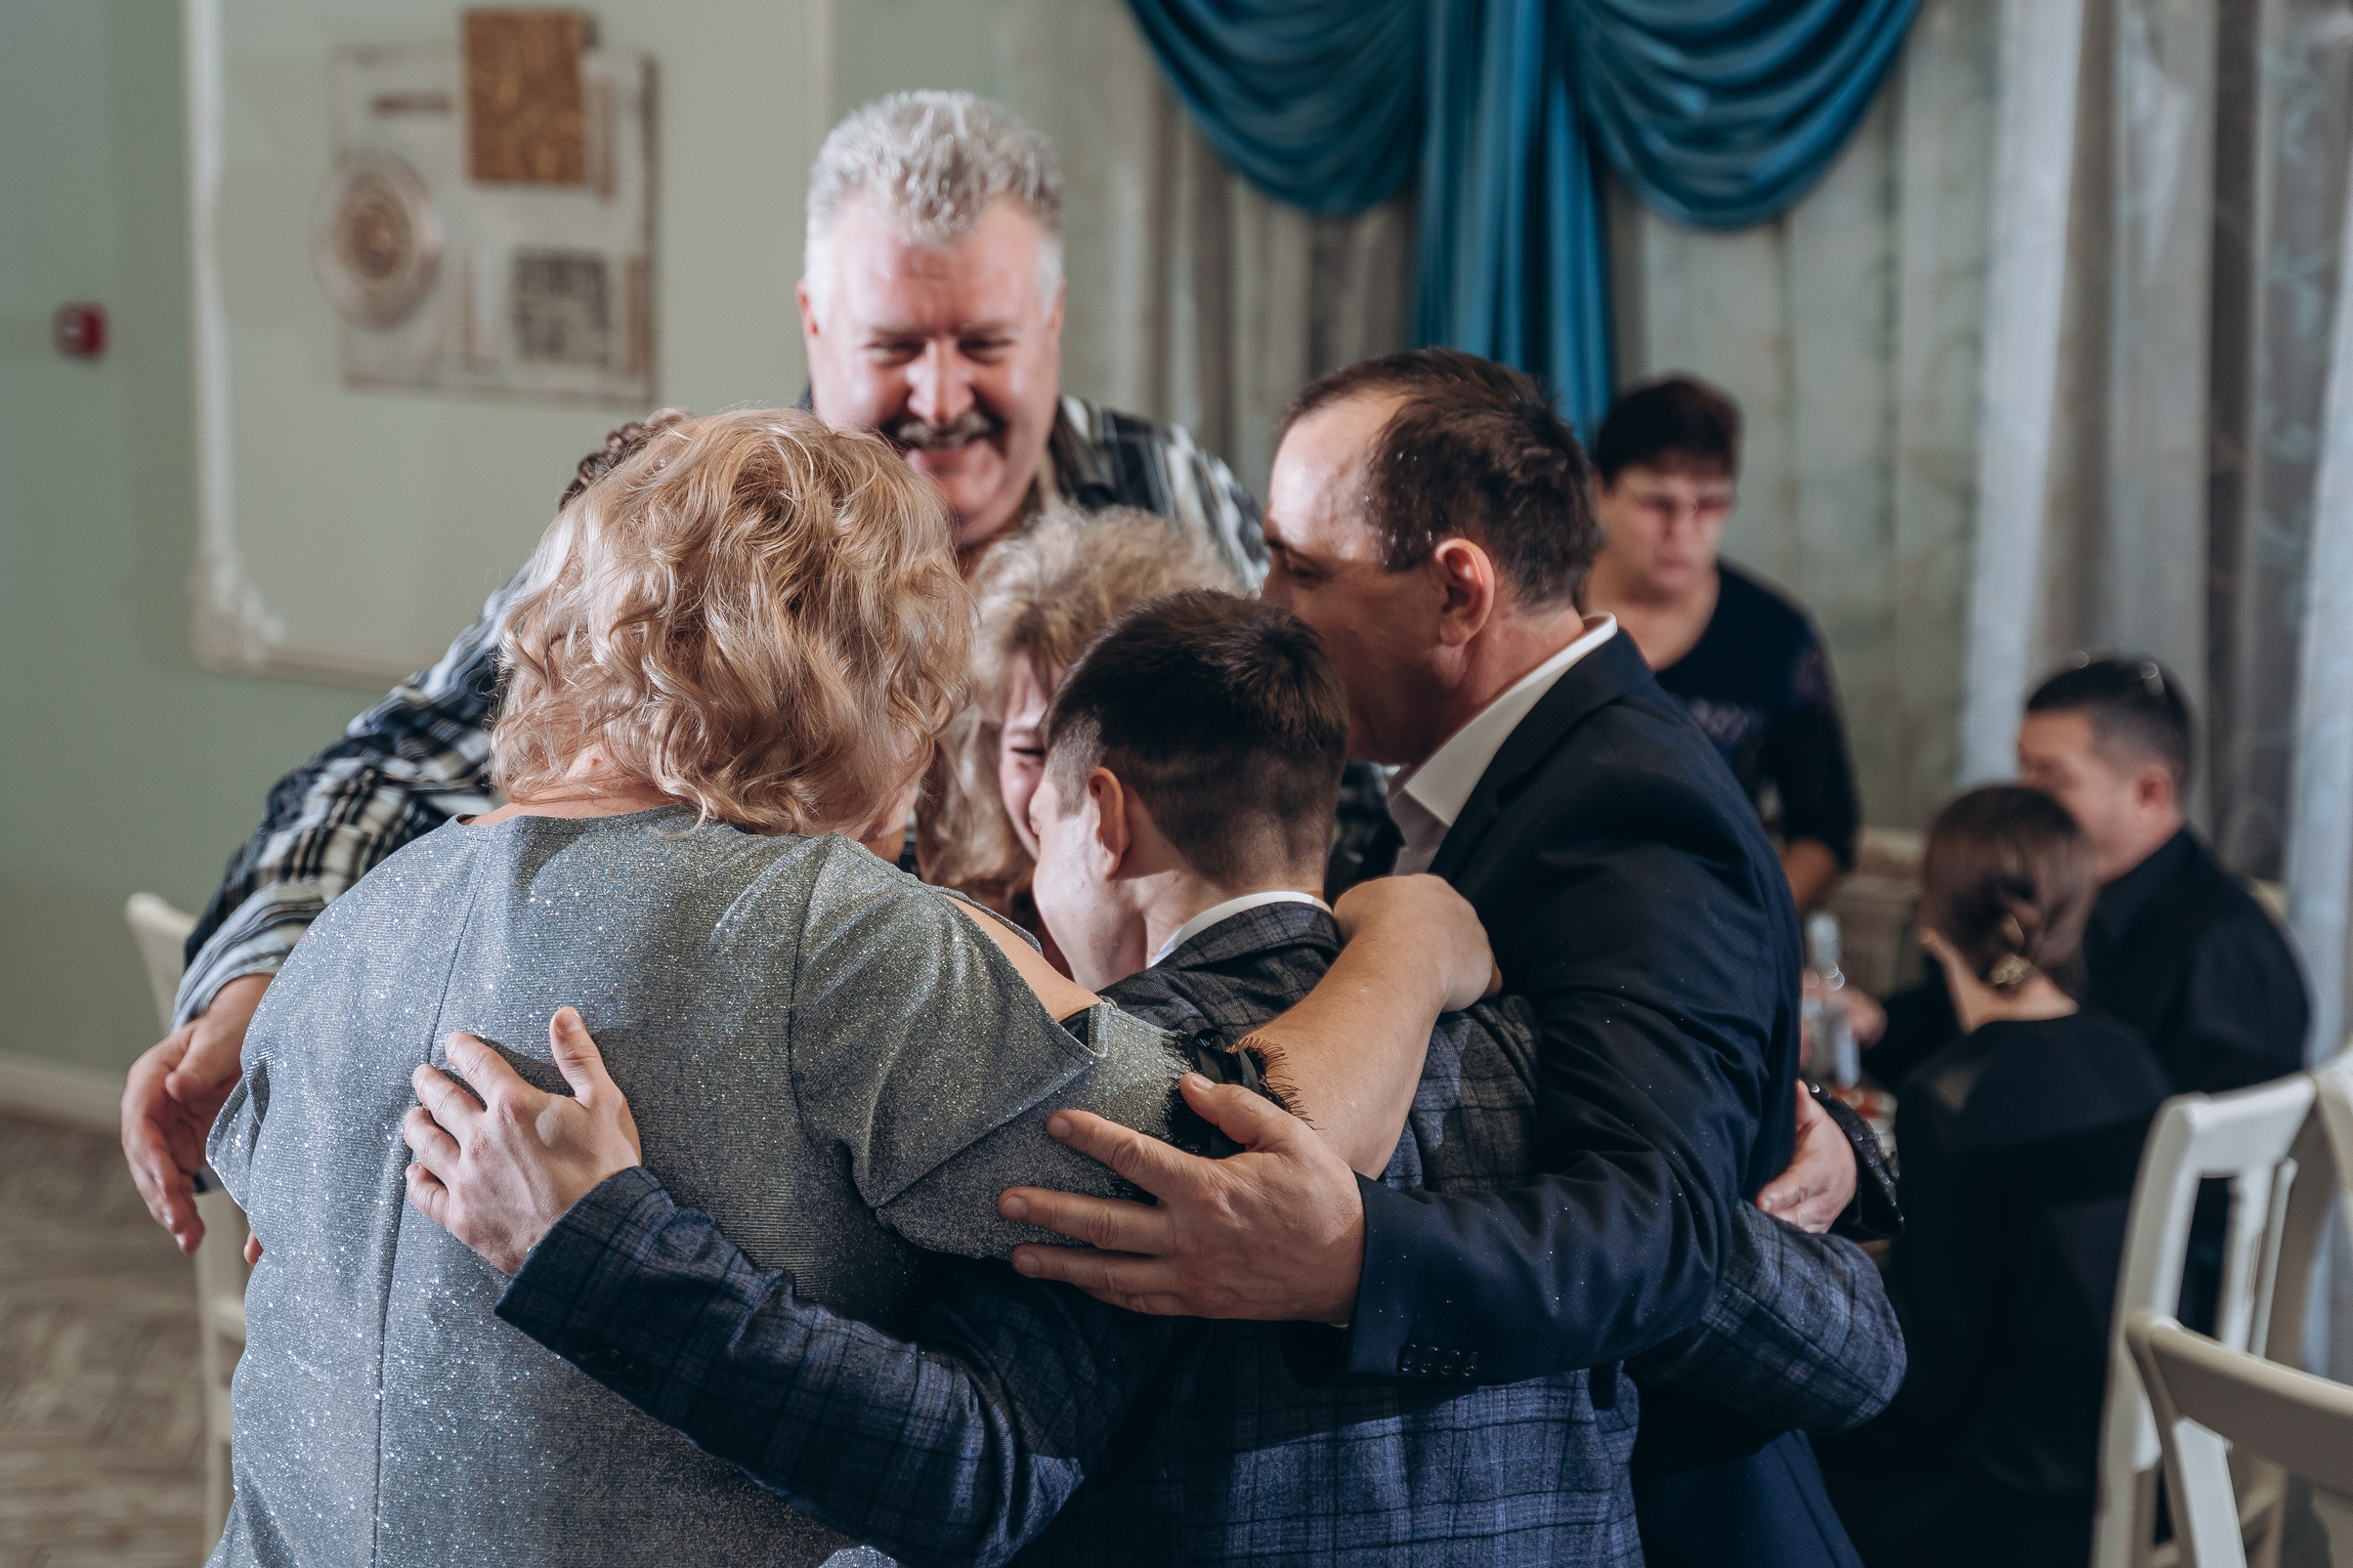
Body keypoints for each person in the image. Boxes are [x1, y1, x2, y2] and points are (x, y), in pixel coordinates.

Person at [207, 411, 1477, 1566]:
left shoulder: (349, 925)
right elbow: (1227, 1151)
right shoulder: (832, 927)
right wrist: (1410, 940)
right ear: (873, 664)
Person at [401, 590, 1903, 1565]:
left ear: (1097, 817)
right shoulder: (1550, 1079)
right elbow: (1849, 1351)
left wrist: (600, 1249)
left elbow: (964, 1471)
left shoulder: (1109, 1104)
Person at [124, 89, 1268, 1256]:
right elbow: (385, 771)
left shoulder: (1172, 494)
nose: (937, 397)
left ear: (1054, 320)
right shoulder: (690, 529)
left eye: (983, 343)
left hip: (1074, 1132)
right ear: (814, 324)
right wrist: (263, 993)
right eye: (891, 347)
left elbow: (1297, 821)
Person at [990, 350, 1882, 1568]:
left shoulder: (1626, 808)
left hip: (1673, 1516)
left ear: (1457, 592)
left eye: (1301, 568)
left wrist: (1349, 1257)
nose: (1267, 604)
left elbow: (1659, 1231)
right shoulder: (1500, 771)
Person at [1818, 785, 2173, 1568]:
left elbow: (1932, 1374)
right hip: (2124, 1469)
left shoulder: (1953, 1096)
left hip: (2007, 1499)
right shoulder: (2135, 1061)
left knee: (1777, 1465)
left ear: (1933, 919)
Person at [1858, 657, 2309, 1096]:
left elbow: (2221, 1153)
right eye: (2023, 768)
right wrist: (1874, 1024)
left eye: (2052, 779)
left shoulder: (2228, 951)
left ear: (2149, 792)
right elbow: (1960, 1018)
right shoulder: (2046, 889)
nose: (2024, 798)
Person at [1582, 376, 1861, 912]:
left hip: (1712, 929)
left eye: (1709, 505)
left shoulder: (1775, 635)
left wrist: (1742, 927)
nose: (1683, 530)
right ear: (1600, 493)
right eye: (1657, 503)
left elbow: (1825, 832)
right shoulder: (1538, 609)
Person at [917, 506, 1242, 937]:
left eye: (1104, 748)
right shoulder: (953, 932)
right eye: (1031, 751)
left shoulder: (1242, 935)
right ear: (991, 750)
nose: (1062, 790)